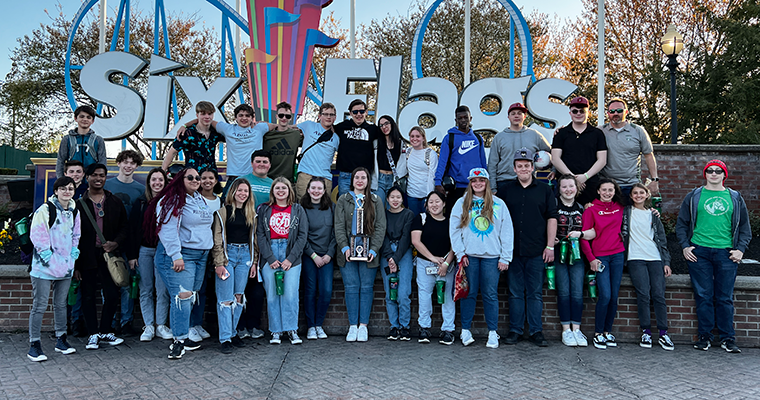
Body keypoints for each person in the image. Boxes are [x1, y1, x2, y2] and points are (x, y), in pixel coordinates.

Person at [676, 159, 751, 353]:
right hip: (699, 252)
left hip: (726, 253)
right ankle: (705, 337)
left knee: (725, 297)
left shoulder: (735, 197)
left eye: (718, 171)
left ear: (724, 175)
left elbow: (744, 228)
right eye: (710, 170)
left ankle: (728, 339)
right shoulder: (694, 196)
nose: (714, 174)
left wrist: (740, 249)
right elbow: (682, 224)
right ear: (705, 174)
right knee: (703, 296)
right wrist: (685, 246)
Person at [152, 168, 215, 359]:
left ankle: (184, 335)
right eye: (191, 177)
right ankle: (178, 341)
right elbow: (167, 229)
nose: (196, 180)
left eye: (197, 177)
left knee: (191, 295)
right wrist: (175, 255)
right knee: (182, 296)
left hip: (200, 255)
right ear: (180, 179)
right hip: (182, 255)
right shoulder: (172, 199)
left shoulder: (198, 199)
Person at [499, 148, 557, 347]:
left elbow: (552, 218)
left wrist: (550, 246)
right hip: (512, 251)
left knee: (535, 293)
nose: (523, 169)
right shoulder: (505, 191)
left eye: (527, 165)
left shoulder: (545, 190)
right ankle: (515, 330)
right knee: (514, 293)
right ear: (514, 168)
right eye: (519, 166)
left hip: (537, 250)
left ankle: (536, 331)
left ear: (533, 168)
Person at [450, 168, 512, 348]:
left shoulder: (499, 204)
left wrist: (505, 257)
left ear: (487, 182)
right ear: (470, 183)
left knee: (490, 294)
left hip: (492, 257)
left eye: (482, 180)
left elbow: (507, 231)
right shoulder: (461, 203)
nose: (478, 184)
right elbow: (454, 230)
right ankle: (466, 330)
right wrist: (460, 253)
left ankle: (493, 332)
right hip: (470, 256)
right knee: (468, 294)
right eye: (474, 181)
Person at [27, 177, 81, 361]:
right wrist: (46, 255)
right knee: (40, 305)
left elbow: (76, 233)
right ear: (56, 191)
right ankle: (34, 344)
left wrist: (74, 251)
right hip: (44, 266)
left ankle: (61, 339)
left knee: (60, 304)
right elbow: (38, 232)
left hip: (65, 266)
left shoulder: (74, 211)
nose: (67, 191)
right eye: (63, 188)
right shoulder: (45, 209)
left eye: (70, 188)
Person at [75, 163, 127, 351]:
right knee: (88, 296)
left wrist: (115, 243)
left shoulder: (114, 202)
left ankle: (105, 331)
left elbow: (124, 228)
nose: (99, 178)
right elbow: (73, 235)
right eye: (95, 175)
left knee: (112, 294)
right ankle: (93, 334)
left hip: (109, 256)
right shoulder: (79, 204)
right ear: (87, 177)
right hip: (87, 256)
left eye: (102, 175)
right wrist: (76, 266)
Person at [177, 104, 276, 198]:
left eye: (247, 115)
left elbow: (277, 126)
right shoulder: (227, 129)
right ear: (235, 118)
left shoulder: (260, 128)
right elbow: (206, 120)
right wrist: (184, 126)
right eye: (240, 115)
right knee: (225, 205)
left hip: (253, 176)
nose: (244, 118)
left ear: (252, 117)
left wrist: (290, 127)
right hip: (234, 176)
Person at [334, 167, 386, 342]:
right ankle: (352, 326)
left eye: (363, 177)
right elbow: (339, 226)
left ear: (368, 180)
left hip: (369, 252)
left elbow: (380, 227)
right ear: (352, 179)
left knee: (366, 288)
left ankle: (363, 326)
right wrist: (344, 247)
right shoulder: (343, 199)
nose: (360, 180)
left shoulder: (376, 200)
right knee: (351, 287)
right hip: (347, 252)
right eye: (357, 177)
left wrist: (374, 249)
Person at [257, 177, 309, 345]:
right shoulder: (265, 210)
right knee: (272, 295)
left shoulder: (298, 209)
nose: (280, 191)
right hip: (270, 253)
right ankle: (276, 331)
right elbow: (260, 235)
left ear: (289, 191)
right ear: (272, 191)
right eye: (277, 188)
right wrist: (270, 258)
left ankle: (291, 329)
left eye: (284, 188)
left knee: (290, 294)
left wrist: (290, 259)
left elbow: (302, 236)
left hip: (290, 253)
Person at [621, 183, 673, 350]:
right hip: (635, 257)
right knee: (643, 294)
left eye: (641, 193)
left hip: (655, 258)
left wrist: (666, 262)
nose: (638, 195)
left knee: (658, 294)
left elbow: (662, 240)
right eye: (635, 193)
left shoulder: (653, 214)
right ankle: (646, 332)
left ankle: (663, 333)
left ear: (647, 195)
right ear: (631, 196)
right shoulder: (626, 212)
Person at [211, 178, 258, 354]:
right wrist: (219, 262)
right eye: (239, 190)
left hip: (245, 257)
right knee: (225, 299)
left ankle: (232, 332)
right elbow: (217, 239)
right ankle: (225, 338)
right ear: (233, 192)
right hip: (227, 257)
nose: (242, 194)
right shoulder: (222, 212)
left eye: (245, 191)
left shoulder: (251, 213)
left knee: (239, 297)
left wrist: (254, 262)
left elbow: (254, 240)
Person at [127, 168, 172, 342]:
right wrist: (132, 255)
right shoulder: (140, 203)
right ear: (149, 182)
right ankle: (149, 326)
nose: (157, 183)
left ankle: (161, 325)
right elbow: (132, 230)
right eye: (154, 180)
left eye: (160, 180)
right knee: (145, 289)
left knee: (162, 290)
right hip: (144, 250)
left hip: (164, 251)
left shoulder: (169, 202)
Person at [580, 178, 625, 350]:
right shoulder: (591, 210)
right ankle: (598, 333)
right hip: (600, 258)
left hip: (618, 255)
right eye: (604, 190)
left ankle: (607, 332)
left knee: (614, 296)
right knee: (605, 295)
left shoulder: (619, 208)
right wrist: (591, 258)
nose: (607, 193)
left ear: (615, 192)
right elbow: (584, 237)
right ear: (598, 191)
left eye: (611, 190)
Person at [105, 149, 145, 336]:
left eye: (132, 163)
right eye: (125, 162)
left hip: (129, 242)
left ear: (136, 166)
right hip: (109, 241)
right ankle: (110, 321)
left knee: (127, 283)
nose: (128, 165)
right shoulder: (107, 185)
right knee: (110, 283)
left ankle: (126, 322)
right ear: (118, 163)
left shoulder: (140, 190)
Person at [236, 151, 272, 340]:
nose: (261, 164)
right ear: (251, 163)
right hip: (241, 239)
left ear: (269, 165)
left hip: (263, 242)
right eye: (258, 161)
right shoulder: (242, 181)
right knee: (238, 288)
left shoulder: (274, 184)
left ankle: (254, 325)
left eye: (265, 162)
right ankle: (239, 326)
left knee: (257, 291)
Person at [411, 191, 456, 345]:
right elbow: (416, 241)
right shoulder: (421, 219)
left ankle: (448, 330)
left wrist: (445, 263)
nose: (434, 205)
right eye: (431, 202)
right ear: (426, 205)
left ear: (444, 203)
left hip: (446, 265)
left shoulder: (451, 221)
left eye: (437, 201)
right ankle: (424, 328)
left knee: (447, 298)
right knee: (424, 296)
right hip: (425, 264)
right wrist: (432, 258)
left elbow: (455, 245)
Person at [553, 174, 590, 347]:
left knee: (577, 292)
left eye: (571, 186)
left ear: (577, 188)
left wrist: (581, 234)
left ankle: (577, 328)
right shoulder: (553, 206)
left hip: (577, 256)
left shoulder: (583, 208)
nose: (568, 190)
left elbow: (592, 232)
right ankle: (566, 330)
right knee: (564, 292)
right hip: (559, 255)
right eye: (564, 186)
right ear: (559, 188)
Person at [187, 167, 222, 343]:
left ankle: (198, 323)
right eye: (203, 178)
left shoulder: (220, 202)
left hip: (212, 251)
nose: (207, 181)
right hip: (195, 249)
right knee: (193, 288)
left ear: (216, 181)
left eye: (211, 178)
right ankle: (189, 325)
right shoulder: (194, 199)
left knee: (204, 289)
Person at [551, 96, 608, 205]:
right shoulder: (561, 134)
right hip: (565, 185)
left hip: (590, 184)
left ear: (588, 112)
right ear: (570, 113)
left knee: (590, 218)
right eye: (575, 111)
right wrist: (572, 178)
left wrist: (585, 176)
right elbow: (555, 158)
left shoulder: (597, 134)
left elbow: (602, 160)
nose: (578, 113)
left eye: (582, 111)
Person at [299, 177, 337, 340]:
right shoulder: (302, 209)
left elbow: (337, 233)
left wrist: (329, 254)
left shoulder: (331, 207)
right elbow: (301, 236)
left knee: (326, 290)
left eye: (319, 188)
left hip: (327, 256)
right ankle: (311, 326)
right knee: (310, 290)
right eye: (313, 188)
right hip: (309, 256)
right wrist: (313, 256)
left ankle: (319, 324)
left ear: (324, 191)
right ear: (308, 190)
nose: (316, 191)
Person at [600, 98, 660, 198]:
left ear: (626, 112)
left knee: (632, 213)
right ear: (608, 113)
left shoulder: (638, 131)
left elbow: (649, 155)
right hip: (607, 186)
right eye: (612, 111)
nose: (615, 113)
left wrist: (654, 180)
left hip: (632, 185)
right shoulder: (600, 131)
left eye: (619, 110)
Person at [487, 102, 551, 193]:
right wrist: (492, 188)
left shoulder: (535, 135)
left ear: (524, 116)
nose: (516, 116)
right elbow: (492, 164)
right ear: (508, 117)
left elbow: (551, 153)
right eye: (513, 114)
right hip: (504, 182)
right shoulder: (499, 137)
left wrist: (554, 170)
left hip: (529, 182)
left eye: (519, 113)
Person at [434, 105, 487, 215]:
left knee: (476, 218)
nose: (463, 120)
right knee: (454, 219)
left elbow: (482, 162)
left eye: (465, 117)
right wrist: (438, 182)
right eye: (460, 118)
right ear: (456, 120)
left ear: (470, 118)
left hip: (474, 186)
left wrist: (486, 181)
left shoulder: (478, 138)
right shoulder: (449, 138)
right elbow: (442, 162)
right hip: (456, 187)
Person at [379, 186, 415, 341]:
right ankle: (394, 326)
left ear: (402, 199)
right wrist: (389, 257)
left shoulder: (408, 214)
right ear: (387, 199)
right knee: (390, 292)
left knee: (403, 293)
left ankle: (404, 326)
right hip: (386, 254)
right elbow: (382, 235)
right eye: (392, 197)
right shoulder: (383, 215)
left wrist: (396, 258)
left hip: (404, 253)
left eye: (398, 197)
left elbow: (407, 237)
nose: (395, 200)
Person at [333, 99, 381, 198]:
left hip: (364, 176)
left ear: (366, 112)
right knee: (345, 205)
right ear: (350, 113)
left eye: (362, 111)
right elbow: (325, 128)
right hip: (345, 175)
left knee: (362, 207)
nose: (358, 114)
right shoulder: (341, 127)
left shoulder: (373, 129)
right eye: (355, 112)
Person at [162, 101, 225, 172]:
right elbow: (172, 152)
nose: (207, 116)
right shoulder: (187, 133)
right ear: (197, 115)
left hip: (211, 176)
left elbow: (231, 135)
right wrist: (162, 171)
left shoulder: (216, 132)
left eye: (210, 114)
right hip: (193, 177)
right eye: (203, 114)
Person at [295, 103, 340, 200]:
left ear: (335, 117)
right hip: (306, 175)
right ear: (319, 116)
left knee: (323, 209)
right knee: (302, 207)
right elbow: (288, 128)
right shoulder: (308, 125)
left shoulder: (337, 138)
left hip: (325, 178)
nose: (328, 117)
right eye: (325, 114)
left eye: (331, 115)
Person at [63, 160, 87, 337]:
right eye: (72, 171)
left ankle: (77, 321)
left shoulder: (87, 192)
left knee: (79, 286)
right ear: (66, 173)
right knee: (65, 287)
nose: (75, 174)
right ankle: (64, 323)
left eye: (79, 171)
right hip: (62, 247)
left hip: (82, 245)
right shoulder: (59, 194)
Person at [395, 126, 438, 216]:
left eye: (417, 136)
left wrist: (430, 197)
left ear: (423, 138)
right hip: (411, 195)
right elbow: (401, 170)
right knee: (414, 222)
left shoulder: (430, 153)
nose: (414, 139)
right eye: (412, 136)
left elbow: (432, 176)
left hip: (426, 195)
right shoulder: (407, 152)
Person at [56, 105, 107, 178]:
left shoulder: (98, 140)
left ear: (92, 121)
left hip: (91, 180)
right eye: (82, 116)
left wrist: (100, 179)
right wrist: (61, 180)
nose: (85, 119)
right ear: (76, 118)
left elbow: (102, 163)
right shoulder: (67, 139)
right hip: (72, 180)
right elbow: (61, 161)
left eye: (88, 117)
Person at [263, 101, 303, 182]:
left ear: (291, 118)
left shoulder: (296, 135)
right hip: (268, 179)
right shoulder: (266, 135)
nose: (284, 118)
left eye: (287, 116)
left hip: (288, 181)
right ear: (276, 116)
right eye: (281, 115)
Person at [376, 115, 403, 209]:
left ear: (392, 124)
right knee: (378, 207)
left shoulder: (400, 143)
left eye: (386, 123)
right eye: (381, 125)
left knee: (392, 208)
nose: (384, 127)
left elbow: (403, 163)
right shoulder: (377, 142)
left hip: (393, 179)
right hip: (379, 178)